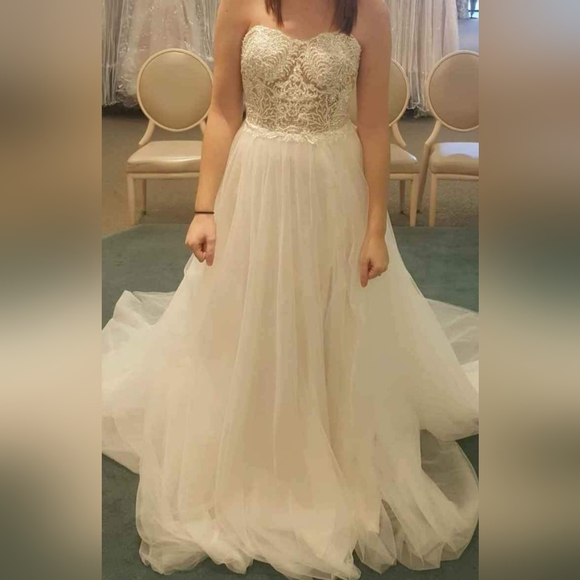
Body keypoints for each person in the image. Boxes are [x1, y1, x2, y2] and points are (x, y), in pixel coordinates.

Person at [102, 0, 479, 577]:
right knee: (250, 310)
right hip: (256, 181)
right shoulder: (241, 5)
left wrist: (375, 227)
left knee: (329, 312)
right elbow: (223, 111)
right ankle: (253, 429)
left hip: (333, 186)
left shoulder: (368, 12)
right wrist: (204, 208)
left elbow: (371, 126)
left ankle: (324, 429)